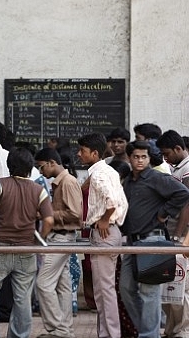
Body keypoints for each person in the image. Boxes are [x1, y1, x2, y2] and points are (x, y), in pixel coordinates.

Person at [0, 147, 54, 338]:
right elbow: (49, 220)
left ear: (9, 166)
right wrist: (40, 239)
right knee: (22, 298)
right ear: (30, 169)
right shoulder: (38, 190)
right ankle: (19, 335)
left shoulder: (0, 185)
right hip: (26, 249)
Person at [120, 140, 189, 338]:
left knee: (150, 293)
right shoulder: (129, 181)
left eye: (144, 157)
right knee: (126, 289)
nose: (140, 160)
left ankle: (148, 335)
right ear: (129, 158)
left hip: (152, 240)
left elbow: (183, 193)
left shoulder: (157, 178)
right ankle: (146, 331)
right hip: (132, 242)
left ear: (149, 159)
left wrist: (164, 213)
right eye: (136, 157)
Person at [76, 133, 128, 338]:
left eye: (83, 151)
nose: (79, 154)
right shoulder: (106, 170)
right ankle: (106, 333)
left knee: (104, 290)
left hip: (105, 231)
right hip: (109, 231)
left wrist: (105, 219)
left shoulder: (99, 174)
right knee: (104, 289)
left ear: (94, 153)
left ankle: (110, 334)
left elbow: (113, 201)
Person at [34, 147, 83, 338]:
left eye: (41, 167)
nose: (40, 172)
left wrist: (46, 214)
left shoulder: (68, 182)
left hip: (62, 236)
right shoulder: (61, 182)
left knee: (43, 283)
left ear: (51, 163)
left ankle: (57, 328)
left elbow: (75, 214)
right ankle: (65, 330)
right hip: (60, 236)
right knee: (62, 286)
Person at [157, 130, 189, 338]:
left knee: (181, 286)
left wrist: (179, 235)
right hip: (174, 234)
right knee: (173, 287)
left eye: (167, 153)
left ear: (178, 149)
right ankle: (172, 329)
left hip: (182, 236)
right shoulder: (177, 168)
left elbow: (187, 204)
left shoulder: (187, 171)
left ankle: (182, 330)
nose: (165, 158)